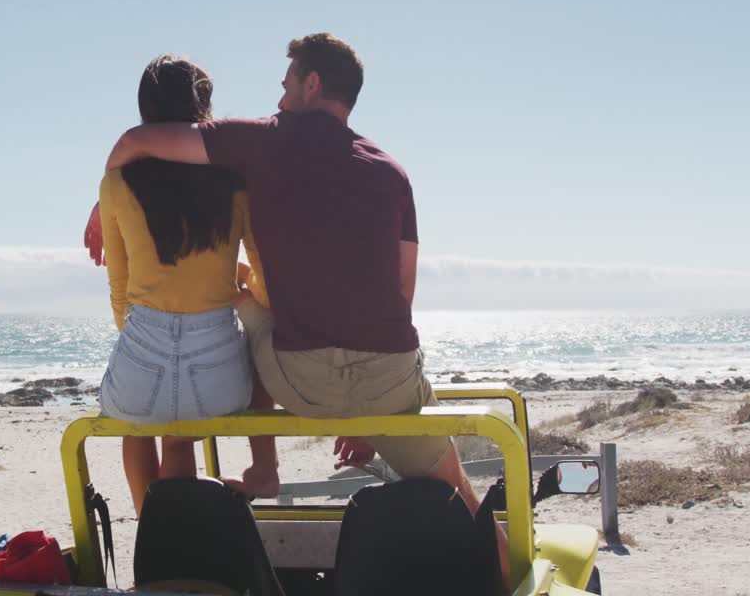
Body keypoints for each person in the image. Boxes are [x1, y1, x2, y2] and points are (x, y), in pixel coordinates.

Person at [87, 34, 508, 584]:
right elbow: (401, 294)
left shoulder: (261, 141)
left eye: (287, 82)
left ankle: (233, 495)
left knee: (249, 331)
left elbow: (138, 139)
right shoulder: (393, 172)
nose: (279, 94)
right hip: (386, 376)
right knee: (459, 486)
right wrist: (365, 415)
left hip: (299, 380)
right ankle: (513, 577)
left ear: (311, 84)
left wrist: (103, 201)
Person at [96, 54, 268, 517]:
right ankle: (180, 539)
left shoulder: (116, 182)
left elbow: (120, 286)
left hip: (141, 355)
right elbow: (261, 265)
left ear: (146, 109)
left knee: (135, 427)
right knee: (179, 436)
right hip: (217, 374)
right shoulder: (235, 182)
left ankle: (154, 541)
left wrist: (140, 344)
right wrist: (253, 296)